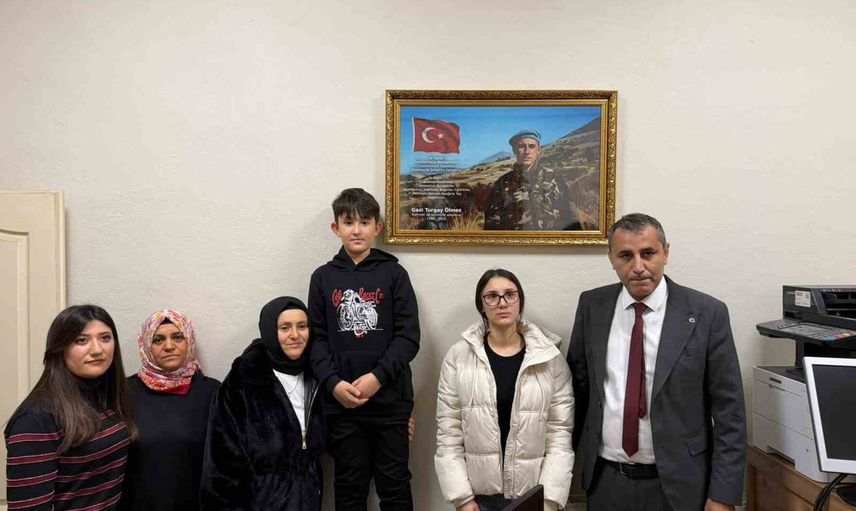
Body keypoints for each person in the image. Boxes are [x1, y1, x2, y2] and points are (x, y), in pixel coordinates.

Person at [566, 213, 746, 511]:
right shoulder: (592, 306)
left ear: (666, 253)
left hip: (680, 486)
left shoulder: (706, 313)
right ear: (611, 258)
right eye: (626, 256)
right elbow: (577, 392)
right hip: (606, 482)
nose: (638, 267)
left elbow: (730, 412)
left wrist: (723, 495)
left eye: (648, 253)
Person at [309, 188, 420, 511]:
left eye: (364, 222)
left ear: (377, 227)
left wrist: (377, 378)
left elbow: (408, 337)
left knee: (395, 486)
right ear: (336, 228)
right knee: (349, 487)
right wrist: (333, 383)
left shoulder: (394, 274)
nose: (356, 230)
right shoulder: (322, 278)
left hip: (390, 402)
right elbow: (316, 339)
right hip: (341, 405)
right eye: (348, 222)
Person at [435, 269, 574, 511]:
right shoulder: (458, 357)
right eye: (492, 296)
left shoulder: (550, 358)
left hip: (534, 495)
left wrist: (549, 500)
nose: (502, 303)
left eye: (510, 294)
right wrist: (462, 498)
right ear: (481, 305)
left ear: (520, 301)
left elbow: (559, 434)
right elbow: (449, 432)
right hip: (479, 499)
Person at [4, 305, 137, 510]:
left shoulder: (108, 397)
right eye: (81, 340)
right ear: (60, 348)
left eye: (105, 338)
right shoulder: (36, 418)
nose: (97, 350)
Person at [200, 296, 325, 510]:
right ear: (269, 331)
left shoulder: (318, 376)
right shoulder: (243, 381)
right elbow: (221, 465)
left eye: (302, 326)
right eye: (285, 328)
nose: (295, 335)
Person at [120, 309, 220, 510]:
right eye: (158, 340)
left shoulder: (212, 392)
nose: (169, 346)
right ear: (146, 345)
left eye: (177, 337)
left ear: (189, 341)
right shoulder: (123, 392)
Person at [483, 129, 581, 231]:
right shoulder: (502, 183)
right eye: (521, 146)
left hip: (551, 240)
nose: (527, 151)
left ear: (538, 150)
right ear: (514, 150)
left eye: (532, 146)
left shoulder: (556, 178)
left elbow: (571, 219)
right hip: (514, 241)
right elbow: (492, 224)